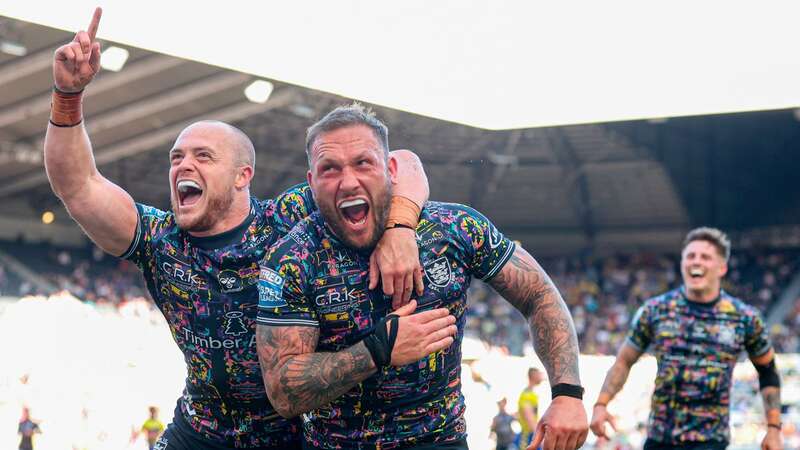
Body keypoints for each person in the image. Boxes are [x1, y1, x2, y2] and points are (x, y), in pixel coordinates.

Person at [45, 8, 434, 449]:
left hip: (295, 433)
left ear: (242, 175)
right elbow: (77, 185)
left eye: (203, 156)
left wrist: (400, 225)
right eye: (176, 158)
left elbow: (403, 162)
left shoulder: (290, 219)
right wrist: (67, 95)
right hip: (199, 432)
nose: (184, 165)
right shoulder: (160, 241)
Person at [256, 104, 588, 449]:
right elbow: (283, 393)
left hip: (441, 440)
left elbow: (539, 295)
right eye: (330, 169)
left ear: (391, 169)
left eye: (363, 163)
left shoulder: (454, 228)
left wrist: (567, 393)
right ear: (311, 182)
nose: (348, 181)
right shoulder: (291, 259)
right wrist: (377, 350)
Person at [590, 227, 784, 450]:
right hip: (660, 440)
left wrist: (774, 429)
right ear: (682, 263)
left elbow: (768, 372)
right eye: (690, 256)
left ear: (722, 267)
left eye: (705, 257)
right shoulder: (656, 310)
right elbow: (624, 361)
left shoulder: (745, 318)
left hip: (711, 442)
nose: (696, 262)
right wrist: (601, 404)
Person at [518, 367, 544, 448]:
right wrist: (541, 440)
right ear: (533, 376)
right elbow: (530, 420)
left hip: (532, 437)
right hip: (529, 438)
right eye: (539, 373)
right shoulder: (527, 395)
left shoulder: (531, 394)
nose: (541, 376)